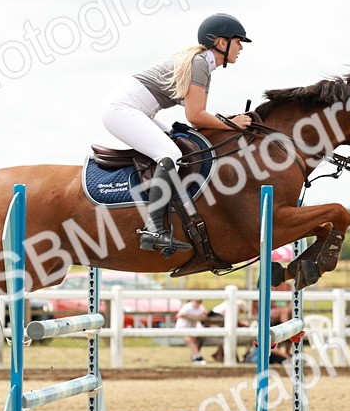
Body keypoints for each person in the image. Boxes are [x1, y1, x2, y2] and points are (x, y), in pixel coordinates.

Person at [101, 13, 253, 254]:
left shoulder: (203, 63)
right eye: (238, 42)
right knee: (170, 153)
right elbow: (195, 116)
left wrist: (226, 122)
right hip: (123, 109)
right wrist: (232, 124)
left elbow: (197, 117)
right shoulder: (200, 63)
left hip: (139, 110)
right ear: (222, 43)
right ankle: (153, 229)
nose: (241, 48)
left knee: (176, 143)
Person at [175, 298, 210, 365]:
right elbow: (179, 315)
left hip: (193, 328)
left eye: (200, 301)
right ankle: (197, 357)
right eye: (197, 301)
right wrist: (193, 317)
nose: (198, 303)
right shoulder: (188, 306)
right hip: (182, 328)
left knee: (195, 340)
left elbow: (204, 315)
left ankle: (195, 356)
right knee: (190, 339)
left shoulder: (201, 307)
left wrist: (203, 315)